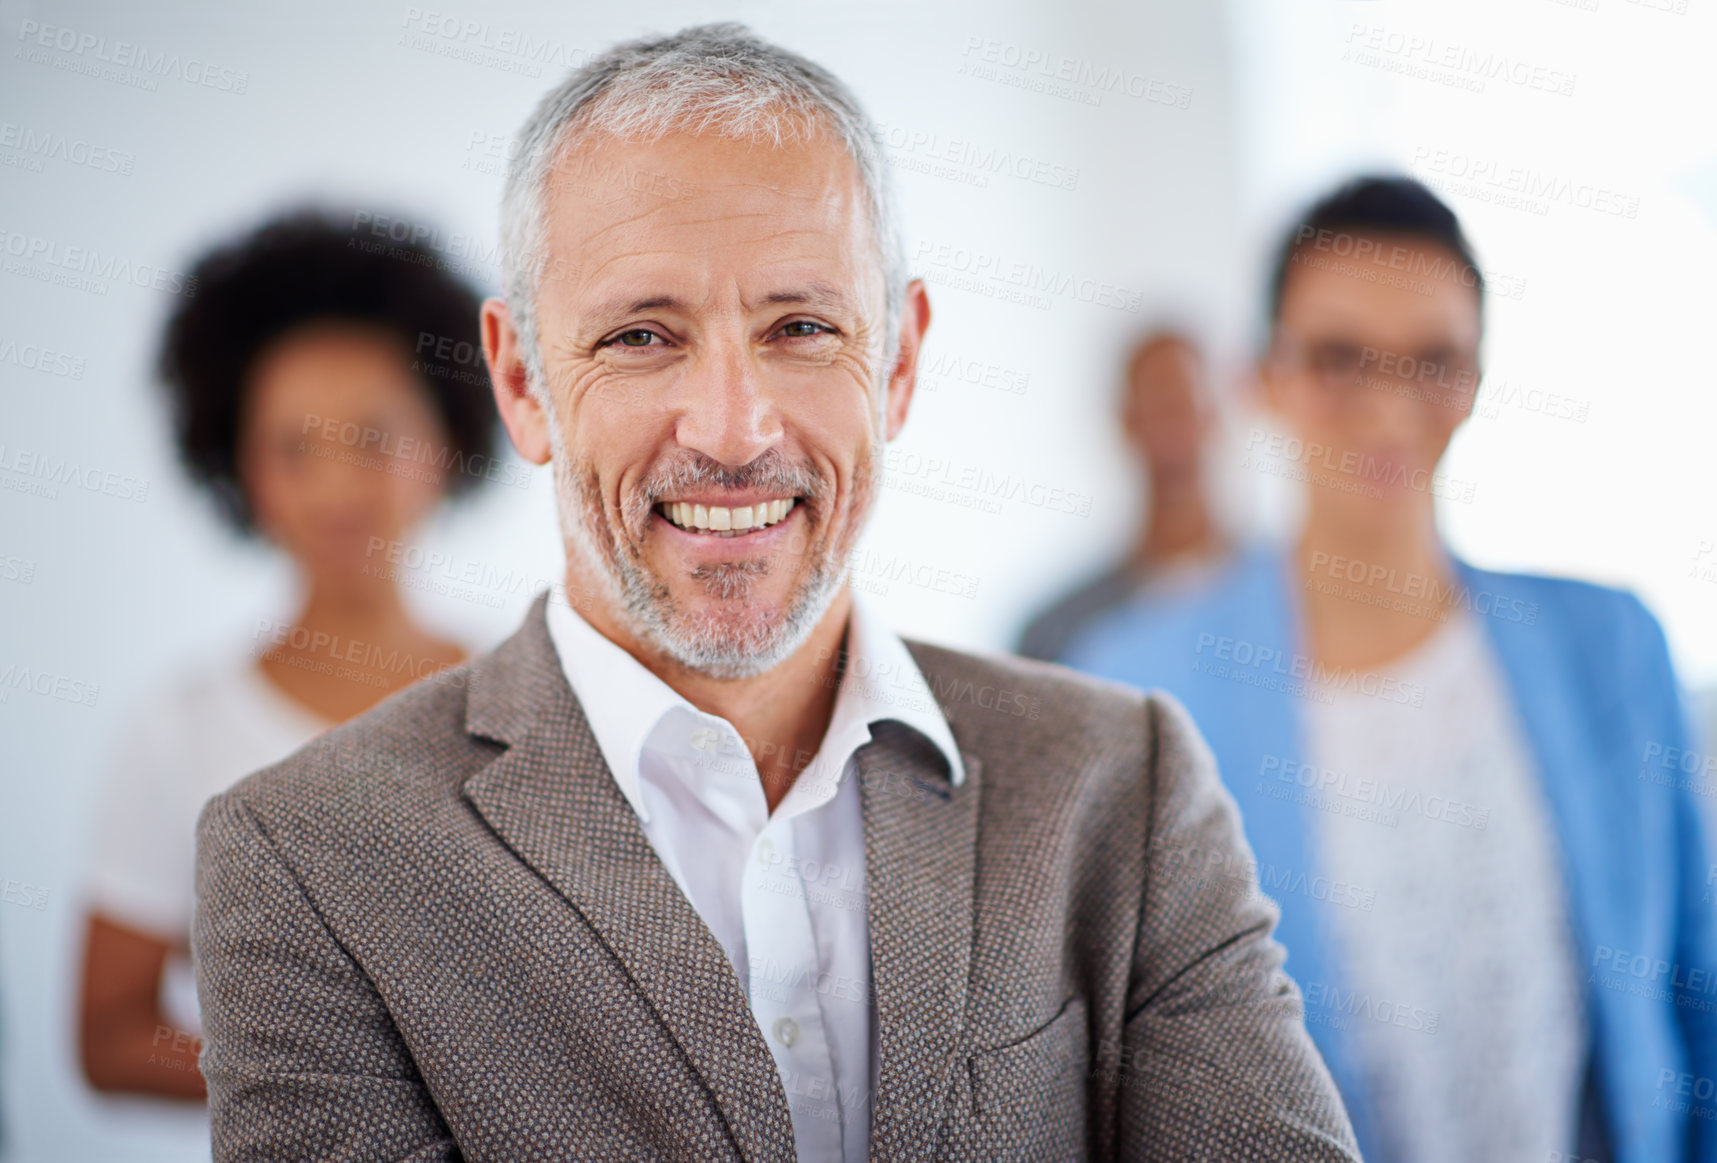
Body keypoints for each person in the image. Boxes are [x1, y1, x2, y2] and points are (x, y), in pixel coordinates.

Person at [190, 24, 1360, 1162]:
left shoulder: (1127, 784)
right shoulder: (308, 861)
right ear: (520, 379)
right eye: (644, 336)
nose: (734, 431)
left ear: (897, 364)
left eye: (801, 326)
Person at [1061, 176, 1717, 1163]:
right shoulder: (1134, 684)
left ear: (1478, 377)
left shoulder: (1611, 646)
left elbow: (1693, 995)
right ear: (1262, 378)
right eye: (1338, 359)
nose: (1387, 408)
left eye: (1434, 361)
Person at [78, 210, 497, 1102]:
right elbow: (108, 1033)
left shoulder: (536, 691)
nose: (337, 487)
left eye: (375, 438)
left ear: (446, 440)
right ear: (239, 464)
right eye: (294, 447)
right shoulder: (176, 728)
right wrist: (334, 1080)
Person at [1017, 328, 1232, 662]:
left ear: (1213, 417)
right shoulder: (1059, 633)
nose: (1171, 437)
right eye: (1152, 413)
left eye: (1182, 409)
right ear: (1128, 424)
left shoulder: (1292, 606)